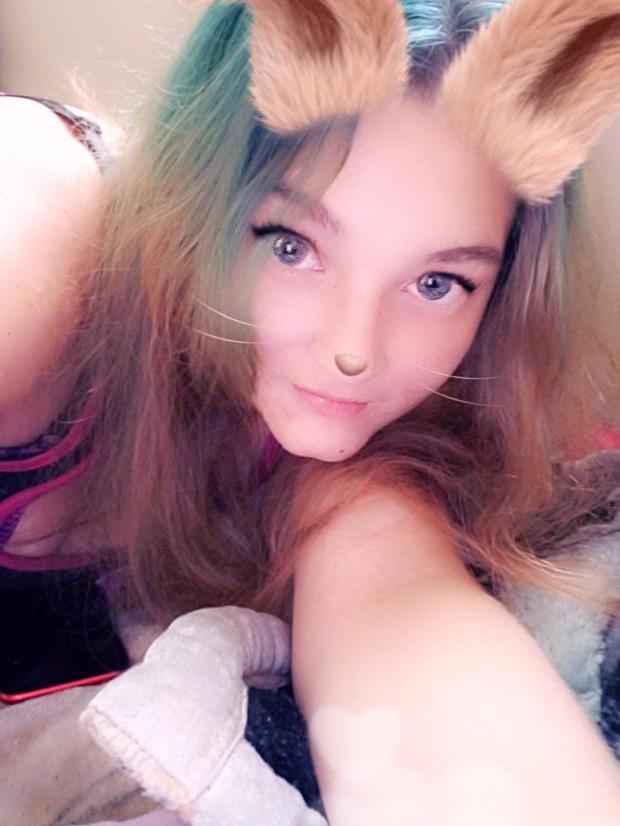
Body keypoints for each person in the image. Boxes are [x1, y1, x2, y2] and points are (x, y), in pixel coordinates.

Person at [5, 0, 620, 823]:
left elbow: (404, 627)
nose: (353, 350)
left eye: (437, 283)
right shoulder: (47, 233)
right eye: (292, 245)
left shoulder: (370, 458)